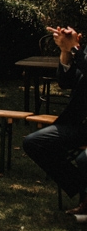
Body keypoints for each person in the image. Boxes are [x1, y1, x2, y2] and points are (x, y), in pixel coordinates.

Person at [23, 26, 87, 215]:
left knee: (84, 158)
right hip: (80, 125)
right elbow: (66, 82)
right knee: (35, 143)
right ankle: (83, 191)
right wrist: (66, 51)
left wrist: (74, 48)